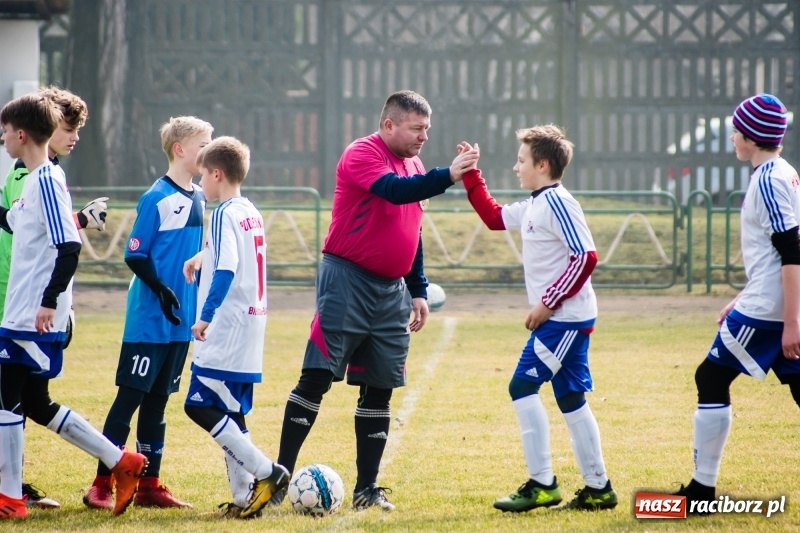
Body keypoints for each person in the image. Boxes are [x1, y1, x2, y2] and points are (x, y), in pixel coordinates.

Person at [269, 90, 479, 511]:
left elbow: (412, 228)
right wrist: (448, 175)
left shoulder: (416, 164)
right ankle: (278, 481)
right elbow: (395, 192)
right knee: (317, 378)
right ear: (389, 125)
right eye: (416, 128)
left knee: (379, 388)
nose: (424, 136)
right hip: (346, 280)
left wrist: (417, 288)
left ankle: (367, 489)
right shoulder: (362, 153)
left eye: (427, 129)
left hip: (392, 291)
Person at [0, 93, 146, 520]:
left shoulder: (45, 180)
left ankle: (9, 498)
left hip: (31, 314)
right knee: (35, 402)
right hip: (24, 311)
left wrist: (47, 303)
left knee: (7, 400)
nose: (3, 137)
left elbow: (67, 246)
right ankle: (122, 462)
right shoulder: (33, 180)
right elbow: (13, 224)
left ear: (22, 134)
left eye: (6, 130)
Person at [459, 125, 618, 512]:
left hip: (565, 319)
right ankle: (598, 488)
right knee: (570, 398)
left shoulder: (559, 203)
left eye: (521, 160)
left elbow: (586, 257)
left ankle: (542, 483)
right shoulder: (535, 204)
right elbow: (495, 218)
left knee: (521, 387)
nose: (516, 167)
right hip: (566, 318)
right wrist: (469, 175)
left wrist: (547, 302)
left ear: (542, 165)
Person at [673, 94, 800, 512]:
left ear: (749, 137)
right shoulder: (782, 172)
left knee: (710, 377)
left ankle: (701, 491)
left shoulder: (767, 180)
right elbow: (775, 252)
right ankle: (701, 488)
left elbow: (791, 252)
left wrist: (791, 322)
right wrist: (742, 297)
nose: (731, 137)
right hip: (768, 302)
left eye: (735, 131)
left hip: (771, 310)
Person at [84, 116, 213, 511]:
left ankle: (149, 486)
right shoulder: (157, 197)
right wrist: (161, 290)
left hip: (179, 323)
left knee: (158, 403)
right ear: (180, 149)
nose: (208, 151)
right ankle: (100, 485)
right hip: (149, 319)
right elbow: (134, 254)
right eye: (202, 144)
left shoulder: (201, 197)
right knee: (129, 400)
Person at [181, 136, 288, 519]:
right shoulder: (248, 210)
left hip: (226, 325)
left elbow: (227, 267)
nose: (199, 185)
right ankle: (246, 498)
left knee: (197, 405)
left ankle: (267, 472)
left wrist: (206, 314)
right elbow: (230, 253)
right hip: (251, 323)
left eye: (202, 177)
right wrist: (200, 256)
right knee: (230, 412)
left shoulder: (224, 212)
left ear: (217, 174)